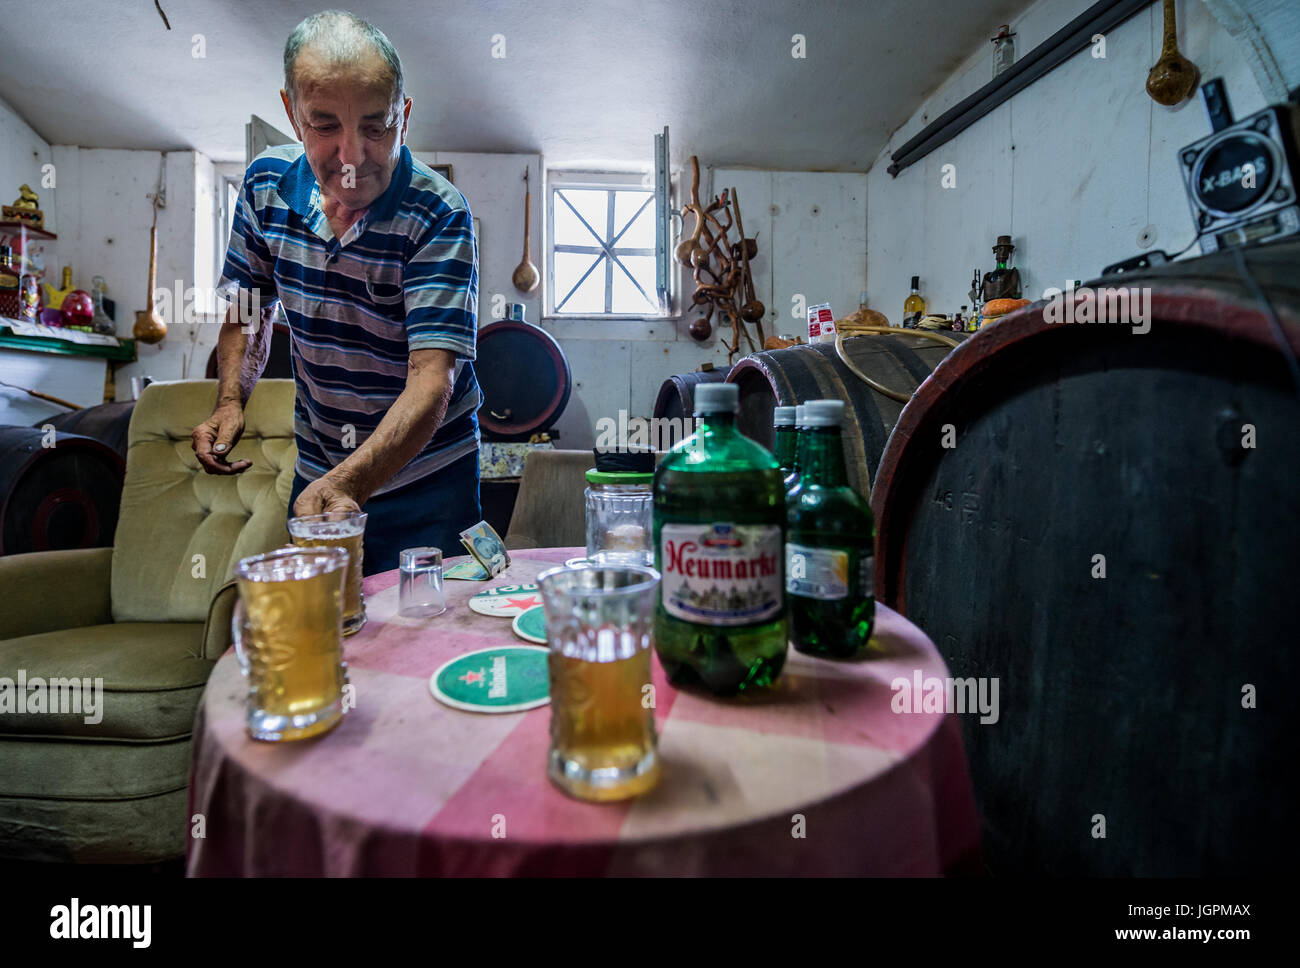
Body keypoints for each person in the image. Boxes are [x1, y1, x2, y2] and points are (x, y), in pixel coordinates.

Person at [191, 11, 482, 576]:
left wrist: (353, 480)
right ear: (291, 114)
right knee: (330, 633)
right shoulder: (263, 186)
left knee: (429, 638)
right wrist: (230, 400)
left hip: (430, 478)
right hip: (321, 464)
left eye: (377, 127)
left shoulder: (439, 214)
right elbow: (249, 308)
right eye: (325, 126)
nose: (352, 158)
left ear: (406, 114)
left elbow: (432, 378)